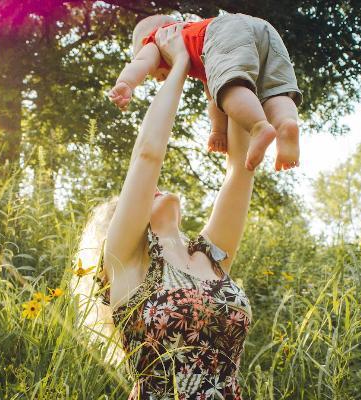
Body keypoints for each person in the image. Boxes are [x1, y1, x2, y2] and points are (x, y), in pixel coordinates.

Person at [91, 24, 255, 399]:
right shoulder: (127, 260)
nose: (155, 187)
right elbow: (148, 155)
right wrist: (180, 62)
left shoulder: (211, 258)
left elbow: (241, 170)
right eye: (147, 193)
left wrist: (220, 66)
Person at [108, 13, 302, 172]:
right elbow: (215, 99)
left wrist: (126, 83)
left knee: (230, 89)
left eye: (153, 75)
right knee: (275, 90)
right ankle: (286, 124)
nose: (157, 78)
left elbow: (141, 62)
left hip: (224, 30)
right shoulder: (203, 54)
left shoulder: (158, 39)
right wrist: (218, 131)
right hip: (263, 29)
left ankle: (259, 126)